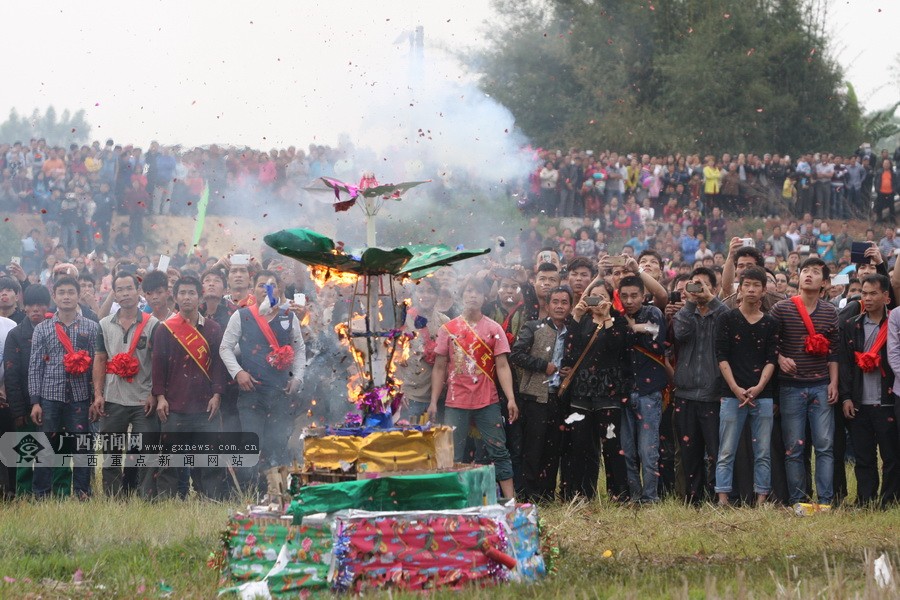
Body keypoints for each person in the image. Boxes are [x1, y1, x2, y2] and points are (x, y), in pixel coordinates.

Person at [429, 276, 519, 500]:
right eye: (468, 291)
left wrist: (510, 398)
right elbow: (439, 367)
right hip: (455, 400)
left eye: (477, 292)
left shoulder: (493, 328)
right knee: (452, 454)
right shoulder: (448, 329)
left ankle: (511, 500)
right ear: (462, 294)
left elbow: (502, 365)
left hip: (487, 400)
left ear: (485, 297)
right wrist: (433, 401)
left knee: (498, 450)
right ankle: (452, 500)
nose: (473, 295)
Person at [219, 270, 305, 494]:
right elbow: (225, 348)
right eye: (261, 285)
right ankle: (250, 495)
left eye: (272, 285)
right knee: (251, 446)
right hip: (252, 394)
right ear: (252, 290)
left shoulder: (289, 316)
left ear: (279, 290)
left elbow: (299, 348)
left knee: (277, 445)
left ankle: (278, 494)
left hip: (281, 393)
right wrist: (238, 373)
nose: (267, 289)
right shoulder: (242, 316)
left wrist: (298, 378)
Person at [150, 276, 227, 499]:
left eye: (191, 293)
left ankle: (210, 500)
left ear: (199, 296)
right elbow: (158, 365)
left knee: (208, 459)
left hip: (205, 405)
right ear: (175, 297)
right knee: (170, 460)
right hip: (174, 405)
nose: (186, 297)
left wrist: (217, 394)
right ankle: (168, 502)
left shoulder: (212, 328)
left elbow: (219, 365)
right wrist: (161, 397)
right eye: (182, 293)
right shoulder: (165, 330)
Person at [771, 257, 839, 507]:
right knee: (794, 448)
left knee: (824, 446)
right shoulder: (782, 308)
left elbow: (834, 351)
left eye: (815, 272)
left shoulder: (831, 311)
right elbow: (770, 343)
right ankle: (798, 501)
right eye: (805, 271)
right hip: (791, 386)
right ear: (798, 277)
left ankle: (826, 500)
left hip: (821, 385)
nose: (809, 275)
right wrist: (780, 359)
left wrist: (834, 382)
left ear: (825, 282)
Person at [28, 276, 99, 499]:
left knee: (82, 447)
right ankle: (41, 494)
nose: (66, 296)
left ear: (78, 296)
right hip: (50, 396)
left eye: (71, 292)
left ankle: (81, 492)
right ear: (55, 296)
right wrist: (35, 401)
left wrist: (96, 397)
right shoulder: (42, 328)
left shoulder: (91, 327)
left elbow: (97, 366)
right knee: (45, 446)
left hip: (80, 397)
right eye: (62, 292)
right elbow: (35, 366)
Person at [560, 280, 631, 501]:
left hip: (608, 390)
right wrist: (576, 315)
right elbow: (569, 351)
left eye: (602, 297)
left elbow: (616, 347)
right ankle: (581, 492)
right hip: (581, 389)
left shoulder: (618, 320)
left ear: (610, 298)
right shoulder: (580, 321)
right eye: (593, 296)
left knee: (611, 443)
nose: (597, 302)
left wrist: (607, 317)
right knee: (580, 443)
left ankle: (618, 493)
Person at [91, 272, 159, 497]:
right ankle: (113, 497)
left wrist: (155, 394)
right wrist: (98, 394)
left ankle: (146, 495)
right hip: (113, 398)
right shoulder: (103, 324)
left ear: (138, 291)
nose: (125, 293)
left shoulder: (153, 324)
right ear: (115, 294)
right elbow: (100, 359)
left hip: (143, 399)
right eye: (119, 289)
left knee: (147, 450)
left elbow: (158, 363)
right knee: (111, 452)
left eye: (129, 288)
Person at [714, 267, 778, 506]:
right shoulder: (727, 319)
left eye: (756, 285)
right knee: (726, 450)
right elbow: (721, 356)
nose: (751, 289)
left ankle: (761, 498)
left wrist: (760, 387)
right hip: (732, 394)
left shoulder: (770, 323)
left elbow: (772, 358)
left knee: (763, 451)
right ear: (740, 288)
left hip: (763, 395)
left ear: (763, 290)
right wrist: (735, 388)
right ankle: (722, 498)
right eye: (747, 284)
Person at [3, 285, 68, 496]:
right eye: (31, 305)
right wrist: (18, 410)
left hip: (53, 400)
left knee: (56, 447)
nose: (35, 309)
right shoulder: (16, 335)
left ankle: (60, 491)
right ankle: (24, 492)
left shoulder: (57, 330)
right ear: (24, 306)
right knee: (26, 449)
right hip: (24, 401)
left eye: (40, 304)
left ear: (48, 305)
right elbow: (11, 376)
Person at [672, 267, 729, 505]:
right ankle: (693, 498)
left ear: (714, 289)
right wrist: (689, 304)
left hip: (712, 393)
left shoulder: (722, 315)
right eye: (695, 284)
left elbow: (728, 323)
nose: (699, 289)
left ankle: (717, 496)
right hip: (685, 393)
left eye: (704, 285)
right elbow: (680, 334)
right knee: (689, 452)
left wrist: (712, 302)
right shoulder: (685, 315)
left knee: (716, 452)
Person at [509, 286, 571, 502]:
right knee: (532, 448)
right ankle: (529, 494)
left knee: (554, 448)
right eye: (556, 301)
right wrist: (542, 365)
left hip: (560, 397)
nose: (560, 306)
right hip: (535, 397)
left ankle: (547, 494)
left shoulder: (572, 331)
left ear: (570, 306)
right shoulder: (533, 327)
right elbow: (516, 354)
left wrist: (568, 370)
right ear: (547, 304)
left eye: (564, 302)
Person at [846, 274, 899, 507]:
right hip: (859, 401)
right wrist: (846, 397)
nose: (867, 298)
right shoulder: (852, 325)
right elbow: (846, 364)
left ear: (886, 297)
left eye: (873, 293)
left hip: (887, 398)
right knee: (864, 456)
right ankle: (865, 499)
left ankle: (889, 499)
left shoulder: (893, 323)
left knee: (891, 455)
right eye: (864, 293)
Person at [618, 275, 668, 503]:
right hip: (625, 392)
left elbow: (658, 344)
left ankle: (650, 498)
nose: (629, 300)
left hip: (649, 392)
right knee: (628, 451)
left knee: (648, 451)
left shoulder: (653, 313)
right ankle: (634, 496)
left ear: (643, 295)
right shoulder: (616, 318)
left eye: (634, 295)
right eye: (625, 296)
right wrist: (631, 329)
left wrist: (635, 328)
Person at [396, 278, 449, 421]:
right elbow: (394, 356)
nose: (425, 295)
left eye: (430, 292)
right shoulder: (404, 320)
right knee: (411, 440)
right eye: (421, 291)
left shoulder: (445, 322)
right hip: (410, 394)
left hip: (437, 394)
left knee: (434, 440)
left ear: (438, 295)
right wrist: (398, 391)